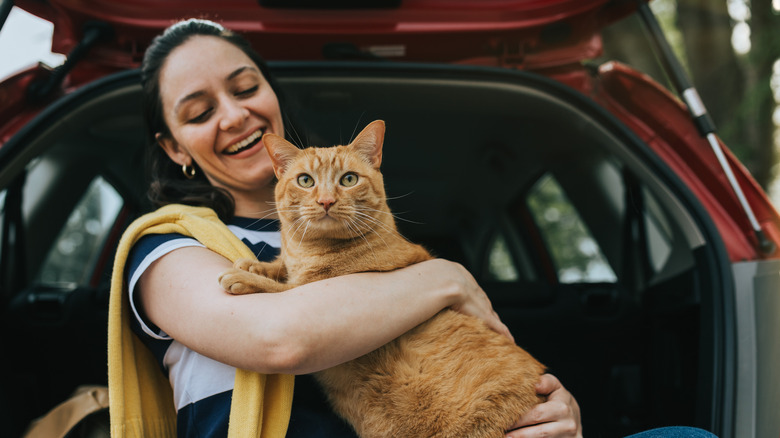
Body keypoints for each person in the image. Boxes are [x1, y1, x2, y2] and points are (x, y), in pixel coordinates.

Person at [108, 18, 714, 438]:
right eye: (199, 110)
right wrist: (447, 277)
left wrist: (552, 409)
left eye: (246, 88)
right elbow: (280, 338)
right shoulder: (169, 247)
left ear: (271, 96)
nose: (235, 113)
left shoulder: (374, 235)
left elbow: (471, 353)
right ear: (173, 146)